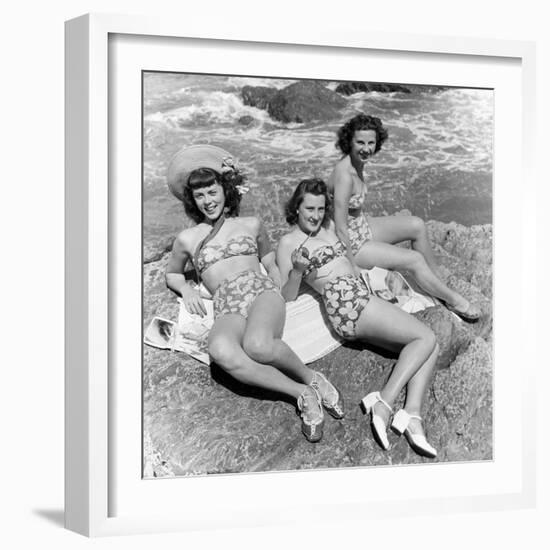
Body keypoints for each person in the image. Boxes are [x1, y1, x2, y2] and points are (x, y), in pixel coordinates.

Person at [164, 145, 344, 443]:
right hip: (225, 301)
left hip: (259, 290)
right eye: (200, 195)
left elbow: (268, 259)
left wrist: (279, 281)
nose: (208, 201)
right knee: (220, 349)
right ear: (192, 201)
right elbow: (172, 272)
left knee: (258, 345)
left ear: (225, 191)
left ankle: (312, 377)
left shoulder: (251, 224)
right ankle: (301, 392)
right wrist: (185, 288)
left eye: (213, 192)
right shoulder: (187, 239)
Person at [277, 178, 439, 457]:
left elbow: (351, 262)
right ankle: (384, 402)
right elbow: (287, 296)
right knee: (426, 336)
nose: (315, 215)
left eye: (319, 209)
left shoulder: (328, 227)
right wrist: (297, 271)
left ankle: (412, 415)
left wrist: (376, 283)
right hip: (346, 302)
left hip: (362, 297)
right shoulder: (288, 243)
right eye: (308, 210)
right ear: (296, 209)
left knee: (429, 348)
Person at [327, 113, 480, 321]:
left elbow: (352, 215)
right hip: (348, 244)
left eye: (371, 142)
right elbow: (341, 228)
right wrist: (352, 266)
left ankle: (436, 281)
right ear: (349, 141)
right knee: (414, 259)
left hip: (360, 227)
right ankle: (453, 299)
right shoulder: (344, 175)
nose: (366, 148)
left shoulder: (358, 163)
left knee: (416, 225)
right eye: (360, 142)